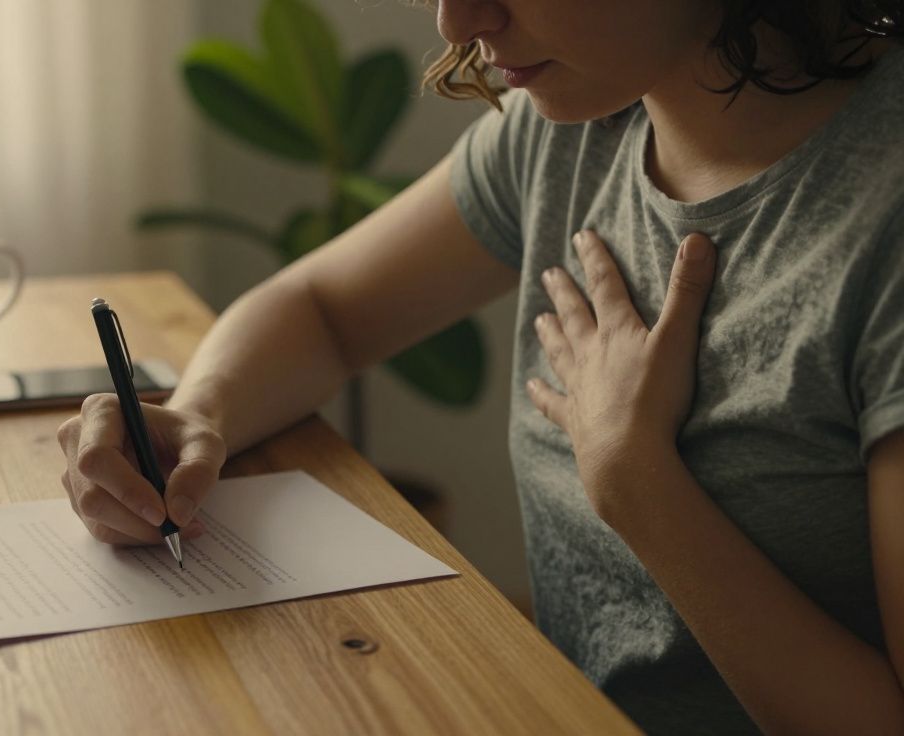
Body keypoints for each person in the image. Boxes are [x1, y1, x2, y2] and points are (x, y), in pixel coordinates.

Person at [57, 1, 904, 732]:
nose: (456, 22)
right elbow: (322, 310)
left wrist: (633, 478)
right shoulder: (574, 131)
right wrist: (198, 415)